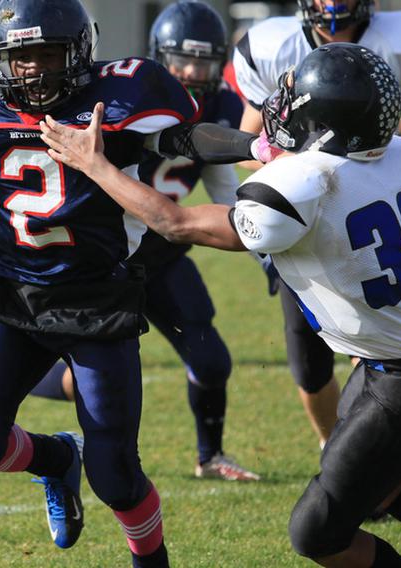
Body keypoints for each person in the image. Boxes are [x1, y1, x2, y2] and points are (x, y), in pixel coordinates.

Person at [41, 41, 401, 568]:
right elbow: (327, 175)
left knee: (317, 533)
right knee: (382, 481)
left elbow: (175, 223)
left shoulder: (300, 184)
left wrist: (98, 166)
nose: (286, 105)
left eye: (299, 99)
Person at [0, 0, 269, 564]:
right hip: (14, 290)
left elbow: (184, 139)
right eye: (20, 57)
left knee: (117, 476)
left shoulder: (121, 98)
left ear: (78, 53)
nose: (33, 70)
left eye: (46, 54)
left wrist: (252, 144)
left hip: (99, 298)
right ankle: (57, 459)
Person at [28, 0, 260, 482]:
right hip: (107, 255)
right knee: (72, 377)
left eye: (206, 60)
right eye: (184, 59)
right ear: (159, 55)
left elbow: (222, 187)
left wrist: (265, 246)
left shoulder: (220, 103)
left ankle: (210, 456)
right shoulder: (129, 96)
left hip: (165, 254)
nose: (195, 71)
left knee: (212, 360)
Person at [230, 0, 401, 449]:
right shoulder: (271, 45)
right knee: (307, 356)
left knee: (378, 332)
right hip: (311, 212)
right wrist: (292, 162)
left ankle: (366, 456)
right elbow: (251, 143)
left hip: (374, 204)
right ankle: (337, 449)